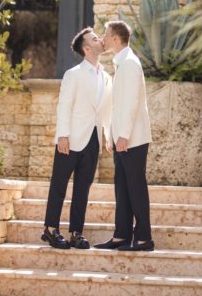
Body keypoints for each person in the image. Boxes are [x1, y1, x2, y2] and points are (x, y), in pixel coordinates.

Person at [41, 27, 112, 250]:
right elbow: (64, 106)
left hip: (93, 141)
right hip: (70, 139)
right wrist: (62, 135)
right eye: (95, 38)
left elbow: (106, 111)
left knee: (83, 188)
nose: (100, 39)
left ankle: (76, 233)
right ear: (86, 48)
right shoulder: (73, 74)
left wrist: (108, 138)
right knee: (59, 185)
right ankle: (50, 230)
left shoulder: (107, 77)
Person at [94, 20, 155, 251]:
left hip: (133, 140)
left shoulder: (129, 64)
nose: (103, 38)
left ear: (116, 38)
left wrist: (123, 136)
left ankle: (144, 239)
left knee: (135, 187)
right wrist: (112, 136)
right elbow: (118, 106)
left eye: (106, 35)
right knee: (122, 187)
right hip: (123, 139)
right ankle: (121, 235)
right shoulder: (122, 64)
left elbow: (131, 104)